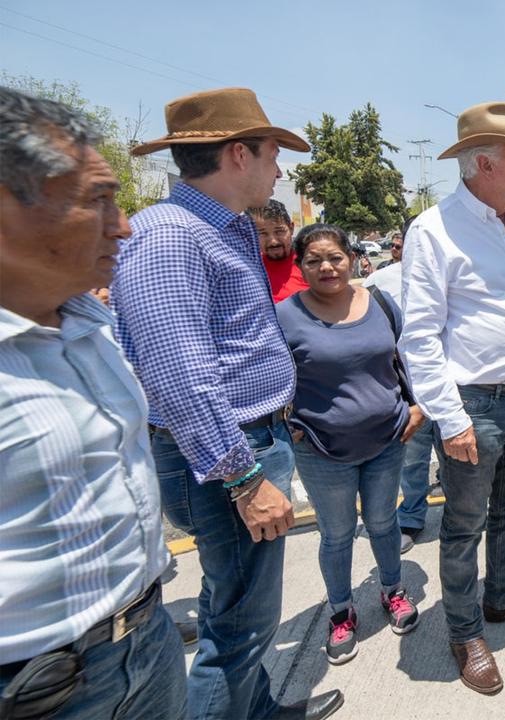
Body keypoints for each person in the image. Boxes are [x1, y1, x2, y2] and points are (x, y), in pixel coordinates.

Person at [111, 88, 343, 720]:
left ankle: (256, 709)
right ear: (239, 154)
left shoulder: (226, 226)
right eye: (272, 154)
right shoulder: (170, 238)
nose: (280, 169)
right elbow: (179, 373)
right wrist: (243, 477)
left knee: (237, 609)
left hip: (244, 443)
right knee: (238, 625)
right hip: (224, 457)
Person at [0, 86, 185, 720]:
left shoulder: (88, 322)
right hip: (38, 689)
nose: (124, 224)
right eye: (98, 201)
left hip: (145, 644)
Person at [400, 101, 505, 696]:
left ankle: (502, 599)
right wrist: (450, 418)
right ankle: (466, 632)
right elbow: (418, 337)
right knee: (464, 526)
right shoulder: (434, 230)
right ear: (484, 162)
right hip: (475, 406)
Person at [276, 223, 424, 664]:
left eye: (335, 257)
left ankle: (393, 591)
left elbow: (408, 356)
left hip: (387, 440)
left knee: (383, 524)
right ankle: (341, 611)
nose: (326, 267)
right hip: (322, 450)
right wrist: (287, 423)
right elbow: (267, 377)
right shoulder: (285, 315)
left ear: (353, 258)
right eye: (314, 260)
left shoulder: (379, 301)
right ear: (301, 266)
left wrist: (417, 406)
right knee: (337, 535)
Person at [366, 215, 436, 554]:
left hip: (454, 388)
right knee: (412, 460)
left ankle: (461, 518)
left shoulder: (452, 273)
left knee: (462, 461)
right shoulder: (380, 281)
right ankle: (411, 517)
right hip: (406, 391)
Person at [248, 198, 308, 302]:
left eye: (279, 231)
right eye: (263, 233)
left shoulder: (310, 264)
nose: (273, 242)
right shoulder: (248, 269)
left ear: (291, 228)